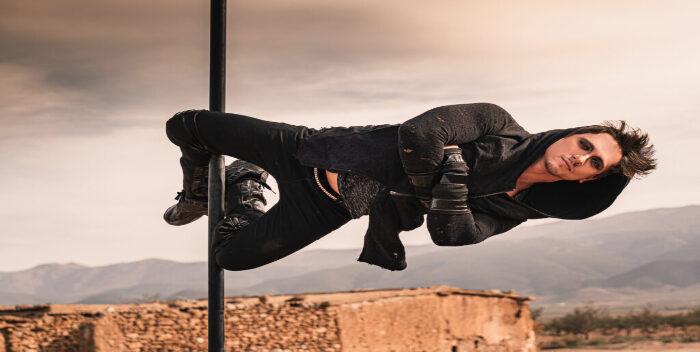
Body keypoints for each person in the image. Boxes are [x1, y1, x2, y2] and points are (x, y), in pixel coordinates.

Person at [164, 103, 656, 271]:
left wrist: (450, 184)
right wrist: (439, 185)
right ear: (573, 132)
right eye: (586, 143)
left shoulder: (516, 207)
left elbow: (455, 234)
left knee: (231, 256)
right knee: (185, 125)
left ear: (591, 178)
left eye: (594, 162)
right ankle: (199, 192)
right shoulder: (498, 125)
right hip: (307, 151)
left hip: (331, 205)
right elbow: (421, 134)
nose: (581, 155)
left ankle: (246, 185)